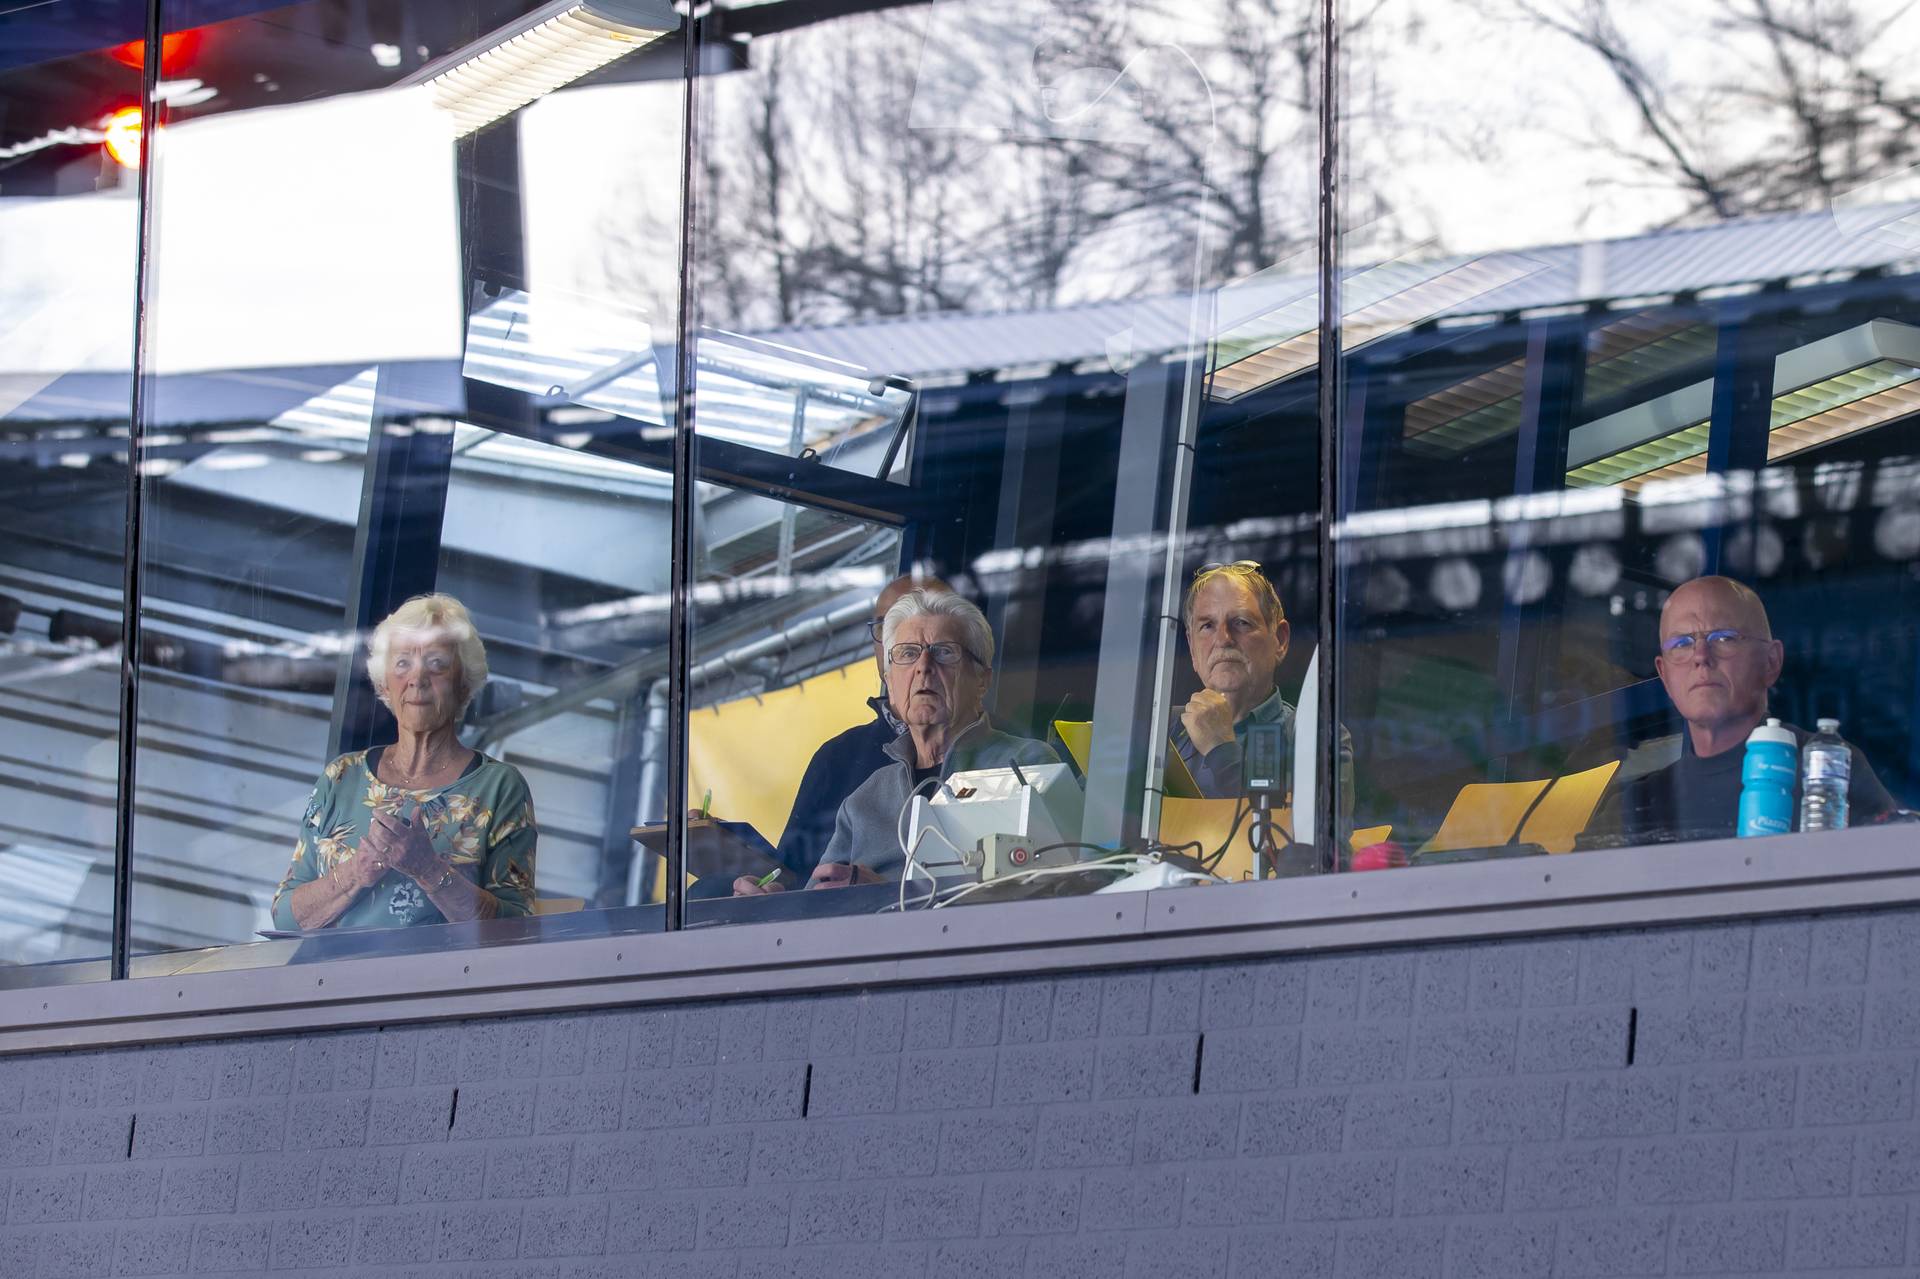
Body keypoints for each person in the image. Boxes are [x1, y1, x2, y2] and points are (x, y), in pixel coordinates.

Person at [759, 589, 1060, 888]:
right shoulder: (864, 799)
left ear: (982, 679)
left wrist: (881, 895)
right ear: (889, 681)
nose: (924, 666)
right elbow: (816, 902)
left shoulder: (1027, 765)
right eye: (907, 653)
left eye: (944, 651)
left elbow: (1054, 885)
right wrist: (770, 904)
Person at [272, 594, 536, 929]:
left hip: (437, 981)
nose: (417, 678)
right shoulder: (341, 777)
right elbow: (286, 918)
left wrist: (427, 867)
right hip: (330, 979)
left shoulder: (500, 788)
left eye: (437, 663)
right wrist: (356, 871)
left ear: (464, 682)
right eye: (402, 663)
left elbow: (515, 930)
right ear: (384, 682)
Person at [1589, 575, 1896, 844]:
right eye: (1681, 643)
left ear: (1771, 661)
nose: (1701, 656)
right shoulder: (1636, 806)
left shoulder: (1824, 770)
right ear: (1665, 675)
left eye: (1723, 638)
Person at [726, 573, 951, 897]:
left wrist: (884, 895)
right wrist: (765, 893)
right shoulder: (837, 757)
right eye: (887, 628)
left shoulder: (1015, 759)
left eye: (925, 632)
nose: (917, 660)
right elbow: (796, 875)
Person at [1172, 561, 1353, 818]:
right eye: (1207, 626)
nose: (1223, 638)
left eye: (1242, 622)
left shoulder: (1316, 738)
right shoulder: (1161, 733)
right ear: (1192, 648)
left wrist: (1220, 749)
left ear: (1280, 640)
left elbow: (1301, 843)